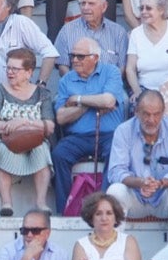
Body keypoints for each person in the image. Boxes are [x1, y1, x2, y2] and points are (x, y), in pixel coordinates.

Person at [106, 89, 168, 235]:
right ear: (136, 111)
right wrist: (140, 182)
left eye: (156, 114)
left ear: (163, 112)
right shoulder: (123, 131)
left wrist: (160, 183)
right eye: (146, 114)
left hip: (163, 199)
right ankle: (113, 249)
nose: (151, 120)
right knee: (115, 190)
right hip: (134, 198)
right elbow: (116, 171)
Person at [52, 37, 124, 213]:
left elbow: (108, 100)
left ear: (95, 58)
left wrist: (77, 99)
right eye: (72, 56)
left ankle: (106, 207)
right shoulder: (67, 80)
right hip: (77, 137)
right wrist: (92, 102)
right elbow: (61, 117)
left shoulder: (111, 72)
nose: (74, 60)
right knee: (58, 154)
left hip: (109, 135)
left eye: (80, 56)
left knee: (117, 152)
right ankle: (65, 210)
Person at [0, 50, 55, 217]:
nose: (10, 72)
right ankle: (6, 204)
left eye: (15, 69)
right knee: (0, 149)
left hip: (34, 140)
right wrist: (7, 127)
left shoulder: (42, 94)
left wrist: (23, 123)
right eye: (8, 68)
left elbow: (50, 126)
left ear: (29, 72)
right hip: (4, 139)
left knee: (42, 150)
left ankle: (40, 203)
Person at [54, 0, 129, 73]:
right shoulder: (67, 30)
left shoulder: (118, 32)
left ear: (104, 6)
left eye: (91, 3)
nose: (85, 8)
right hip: (78, 84)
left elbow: (122, 68)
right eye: (83, 3)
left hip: (110, 85)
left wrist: (110, 85)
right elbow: (62, 66)